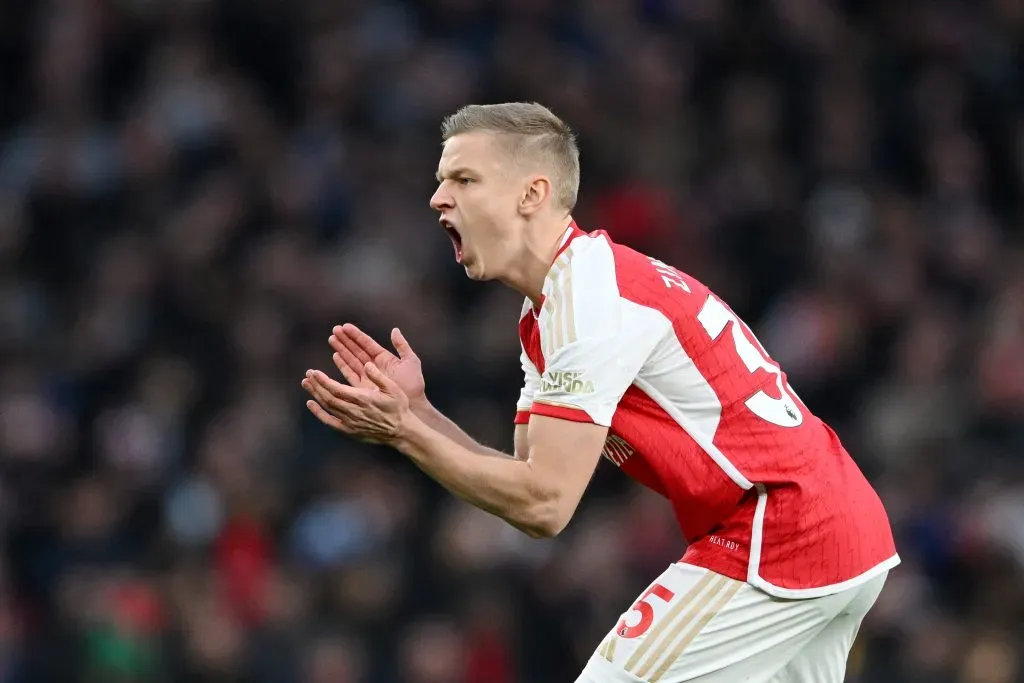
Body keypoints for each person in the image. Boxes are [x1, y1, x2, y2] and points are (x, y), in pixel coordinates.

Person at [300, 102, 900, 683]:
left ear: (532, 194)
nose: (438, 197)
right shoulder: (556, 304)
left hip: (782, 531)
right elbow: (522, 483)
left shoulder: (588, 302)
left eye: (464, 179)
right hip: (835, 526)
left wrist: (405, 433)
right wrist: (418, 414)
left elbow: (544, 505)